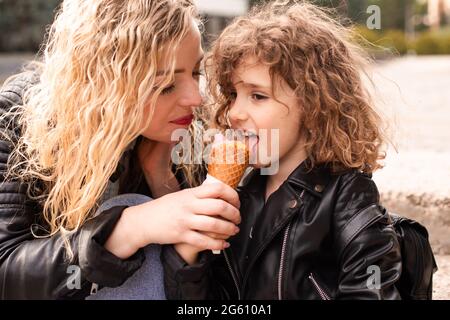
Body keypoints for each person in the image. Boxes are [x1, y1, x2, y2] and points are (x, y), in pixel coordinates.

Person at [162, 0, 403, 300]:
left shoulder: (347, 196)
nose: (234, 112)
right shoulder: (240, 195)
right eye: (234, 94)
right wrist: (192, 253)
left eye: (258, 96)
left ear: (314, 104)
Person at [0, 0, 240, 300]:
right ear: (105, 85)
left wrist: (161, 181)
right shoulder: (17, 118)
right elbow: (7, 272)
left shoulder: (188, 131)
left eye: (196, 72)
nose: (196, 98)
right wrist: (129, 227)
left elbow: (206, 292)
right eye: (165, 85)